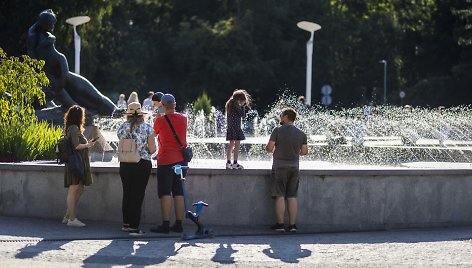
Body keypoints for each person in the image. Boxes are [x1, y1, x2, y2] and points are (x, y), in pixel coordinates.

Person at [27, 9, 117, 116]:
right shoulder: (33, 35)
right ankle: (91, 114)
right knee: (78, 102)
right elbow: (32, 57)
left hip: (63, 74)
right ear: (44, 23)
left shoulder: (40, 33)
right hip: (53, 78)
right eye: (51, 24)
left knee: (95, 96)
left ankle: (116, 111)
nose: (53, 27)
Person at [265, 107, 308, 232]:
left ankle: (280, 225)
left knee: (279, 195)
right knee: (292, 196)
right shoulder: (301, 133)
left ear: (285, 117)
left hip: (279, 167)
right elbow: (304, 152)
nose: (279, 116)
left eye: (281, 114)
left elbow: (269, 148)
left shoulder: (277, 130)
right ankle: (292, 225)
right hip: (294, 167)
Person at [117, 102, 156, 235]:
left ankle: (126, 223)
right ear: (141, 114)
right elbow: (152, 149)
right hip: (141, 164)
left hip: (125, 164)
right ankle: (134, 227)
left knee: (127, 193)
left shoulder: (121, 128)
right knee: (137, 195)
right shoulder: (147, 128)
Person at [151, 94, 188, 233]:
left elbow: (154, 134)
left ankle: (165, 224)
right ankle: (179, 224)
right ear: (175, 104)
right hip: (181, 161)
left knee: (165, 192)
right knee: (178, 191)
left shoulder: (160, 121)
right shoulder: (184, 118)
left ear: (162, 106)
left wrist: (157, 116)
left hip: (166, 160)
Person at [63, 105, 96, 227]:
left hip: (77, 162)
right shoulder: (73, 128)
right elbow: (76, 146)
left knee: (80, 188)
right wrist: (88, 145)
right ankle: (72, 219)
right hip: (75, 163)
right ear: (78, 117)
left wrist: (88, 144)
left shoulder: (73, 128)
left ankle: (67, 216)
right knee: (74, 189)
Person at [225, 89, 252, 169]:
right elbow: (242, 114)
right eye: (243, 101)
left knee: (231, 145)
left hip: (230, 127)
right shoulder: (236, 104)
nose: (244, 103)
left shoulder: (230, 103)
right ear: (239, 99)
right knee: (237, 145)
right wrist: (242, 106)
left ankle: (228, 162)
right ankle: (235, 163)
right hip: (236, 128)